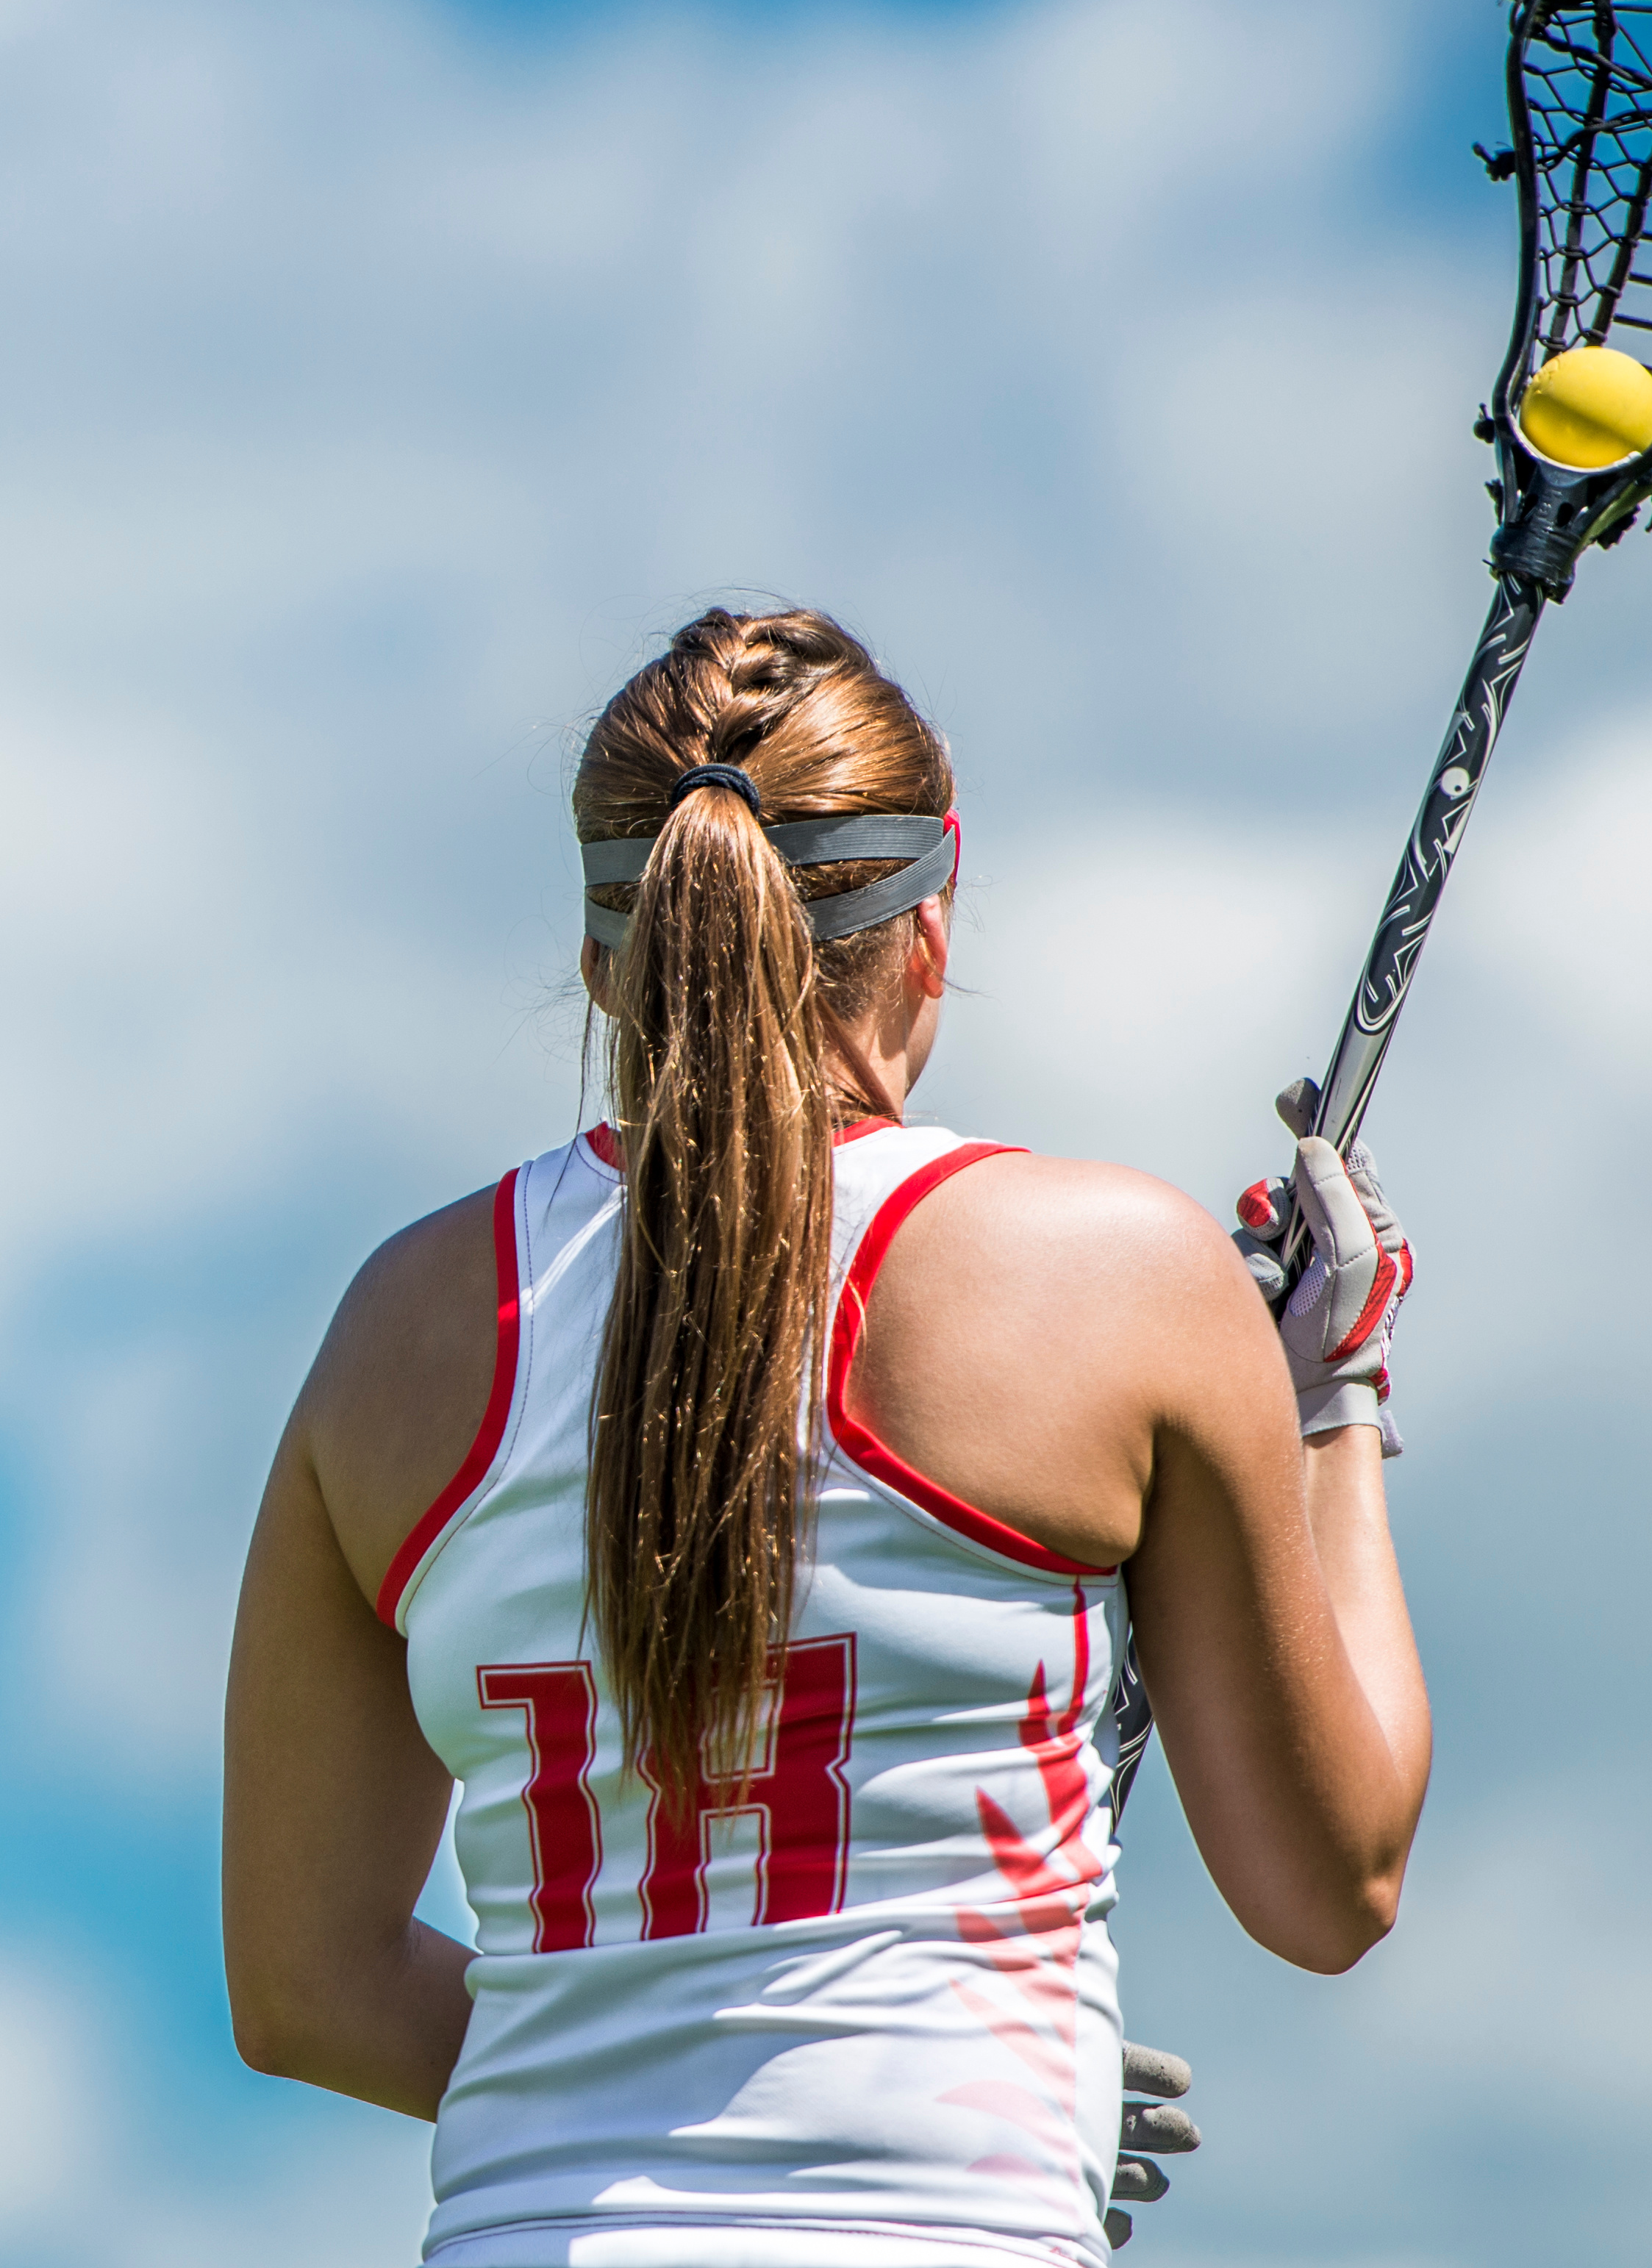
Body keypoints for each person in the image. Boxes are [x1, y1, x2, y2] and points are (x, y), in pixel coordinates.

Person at [223, 608, 1431, 2265]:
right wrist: (1329, 1408)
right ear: (929, 932)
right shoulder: (1118, 1276)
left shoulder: (402, 1328)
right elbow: (1331, 1881)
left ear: (603, 960)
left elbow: (304, 1988)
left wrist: (627, 2099)